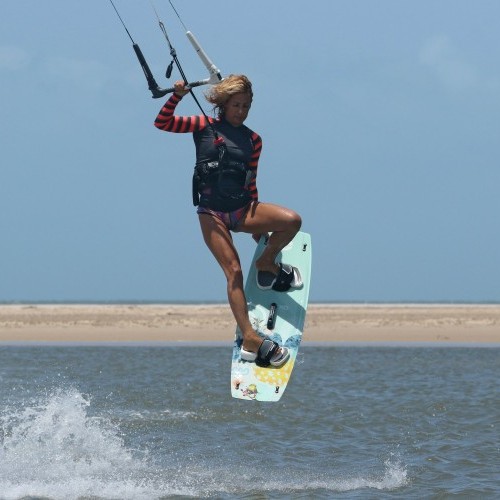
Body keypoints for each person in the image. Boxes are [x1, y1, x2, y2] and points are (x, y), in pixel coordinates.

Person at [154, 74, 302, 367]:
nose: (242, 111)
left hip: (242, 209)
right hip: (212, 214)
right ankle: (250, 337)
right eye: (236, 105)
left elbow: (251, 182)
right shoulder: (202, 126)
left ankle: (267, 262)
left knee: (292, 221)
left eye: (246, 106)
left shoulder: (253, 140)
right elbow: (163, 122)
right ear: (223, 104)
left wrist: (258, 227)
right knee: (233, 271)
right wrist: (178, 95)